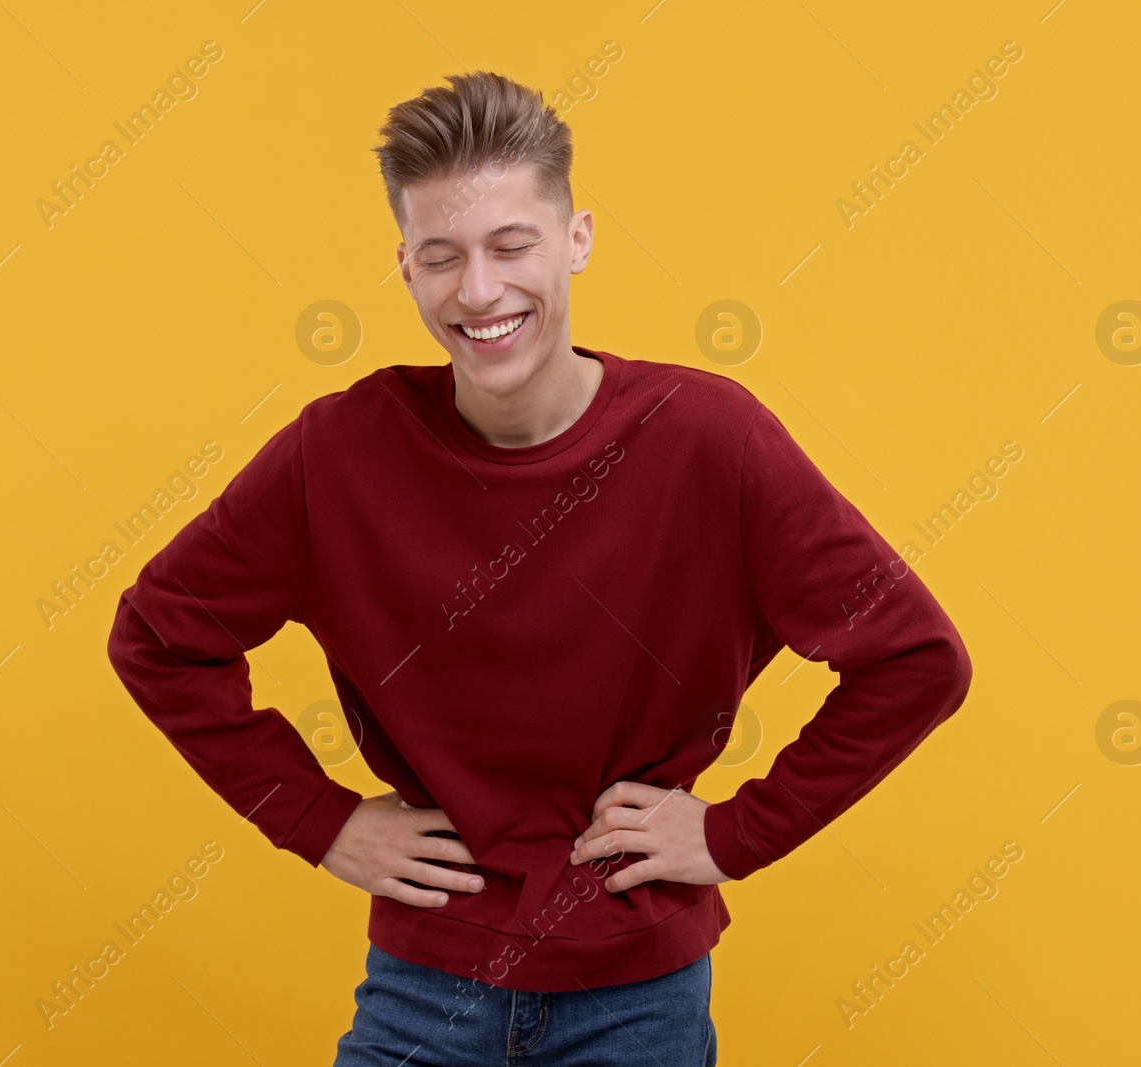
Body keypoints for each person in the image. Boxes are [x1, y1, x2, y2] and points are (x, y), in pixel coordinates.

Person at [106, 70, 972, 1066]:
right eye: (441, 257)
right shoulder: (336, 453)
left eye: (510, 245)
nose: (478, 290)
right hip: (422, 985)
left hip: (637, 996)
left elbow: (915, 658)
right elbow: (160, 634)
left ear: (577, 238)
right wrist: (319, 818)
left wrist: (735, 834)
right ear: (404, 267)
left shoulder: (710, 440)